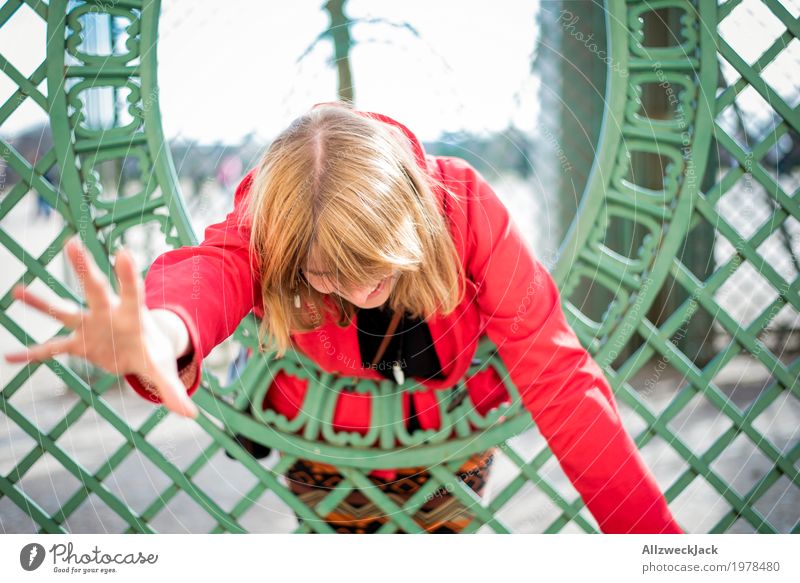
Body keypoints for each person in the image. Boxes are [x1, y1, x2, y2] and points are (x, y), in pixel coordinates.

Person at [5, 101, 684, 534]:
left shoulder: (466, 208)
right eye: (328, 271)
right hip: (323, 435)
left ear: (413, 214)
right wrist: (164, 330)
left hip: (449, 431)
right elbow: (215, 268)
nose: (360, 290)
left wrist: (651, 545)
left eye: (377, 263)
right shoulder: (275, 218)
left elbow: (559, 374)